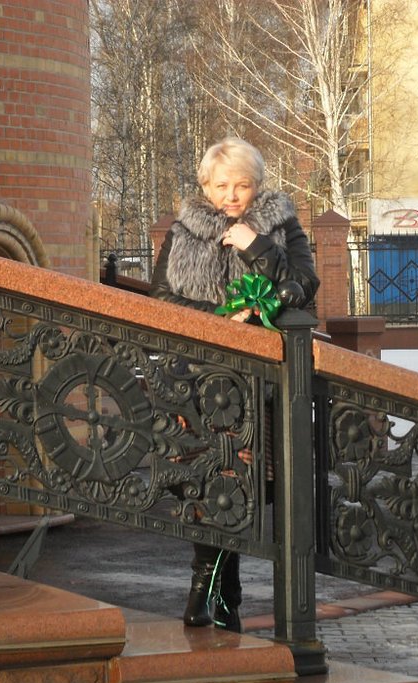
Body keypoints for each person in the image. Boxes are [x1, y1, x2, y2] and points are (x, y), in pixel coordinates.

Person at [150, 137, 319, 632]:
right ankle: (219, 593)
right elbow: (161, 299)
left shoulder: (281, 224)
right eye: (222, 185)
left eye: (241, 185)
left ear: (257, 185)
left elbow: (303, 285)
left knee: (242, 484)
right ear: (205, 186)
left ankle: (211, 592)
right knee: (204, 483)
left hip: (255, 383)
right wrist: (225, 317)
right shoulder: (184, 231)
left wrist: (256, 245)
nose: (231, 195)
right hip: (196, 381)